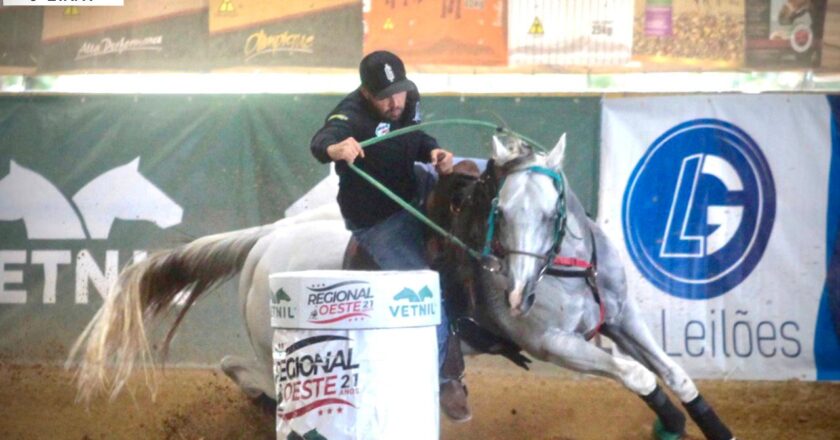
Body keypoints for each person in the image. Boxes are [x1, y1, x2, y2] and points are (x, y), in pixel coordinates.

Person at [309, 50, 471, 421]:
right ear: (366, 93)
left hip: (414, 191)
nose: (396, 102)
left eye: (399, 92)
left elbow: (416, 136)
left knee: (474, 189)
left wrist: (434, 150)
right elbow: (321, 141)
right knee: (424, 287)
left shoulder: (406, 99)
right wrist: (337, 148)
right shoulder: (348, 115)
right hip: (378, 219)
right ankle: (445, 378)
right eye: (386, 97)